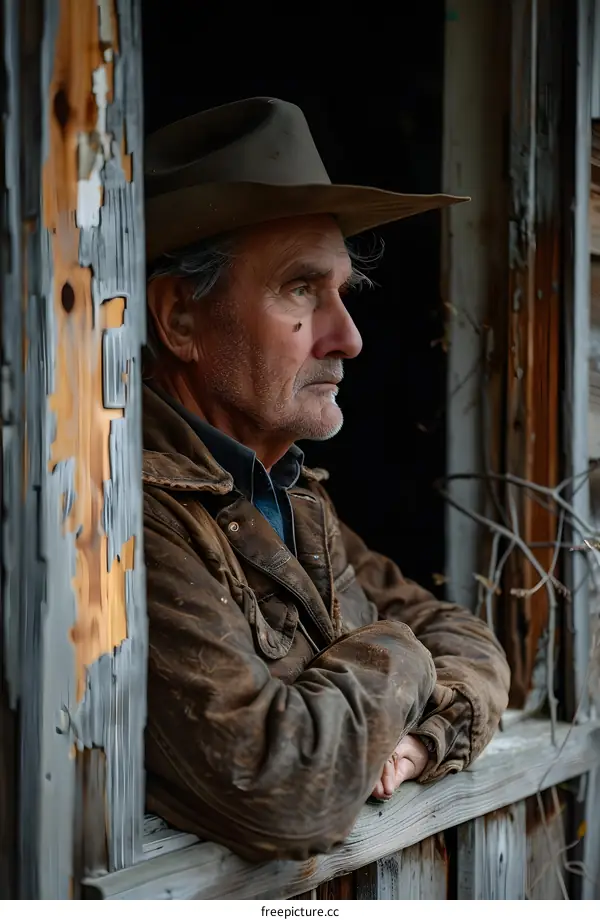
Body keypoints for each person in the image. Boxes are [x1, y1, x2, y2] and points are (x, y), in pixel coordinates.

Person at [142, 97, 510, 863]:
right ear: (180, 317)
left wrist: (423, 732)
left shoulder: (291, 494)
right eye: (301, 290)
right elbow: (285, 790)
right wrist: (401, 657)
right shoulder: (127, 520)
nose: (348, 336)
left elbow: (468, 637)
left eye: (344, 292)